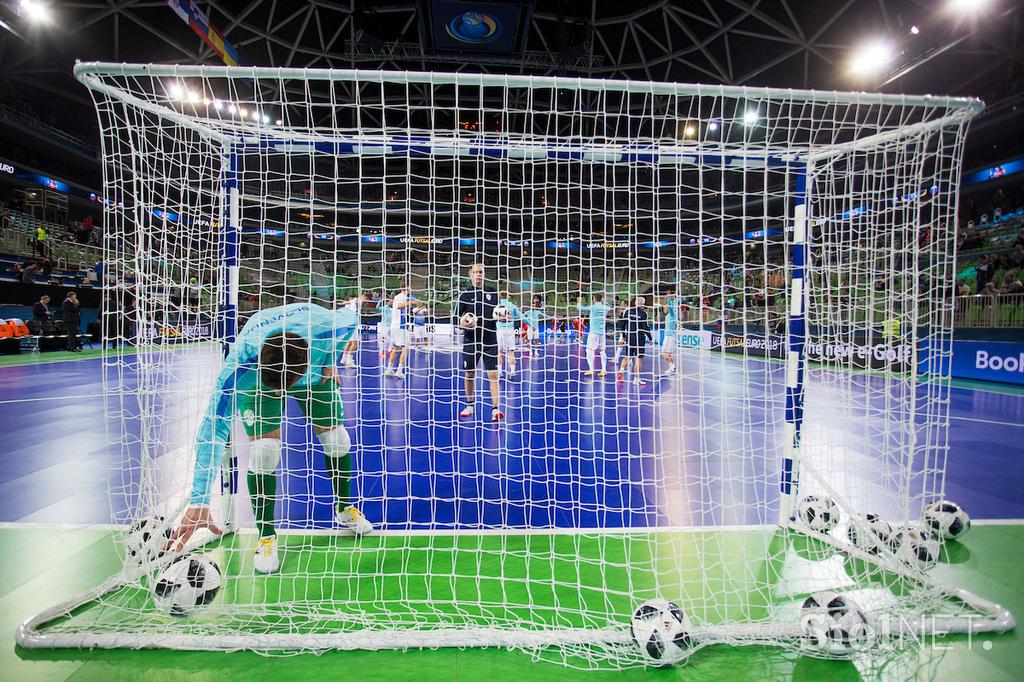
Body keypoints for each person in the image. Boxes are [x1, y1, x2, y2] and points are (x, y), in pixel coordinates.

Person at [167, 302, 371, 574]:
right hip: (259, 382)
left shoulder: (327, 327)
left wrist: (328, 361)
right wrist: (200, 499)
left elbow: (351, 320)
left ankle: (345, 508)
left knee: (338, 440)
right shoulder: (242, 363)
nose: (282, 394)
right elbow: (213, 429)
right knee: (264, 451)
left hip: (313, 372)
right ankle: (266, 535)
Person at [457, 263, 503, 421]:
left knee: (493, 374)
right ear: (470, 275)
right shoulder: (464, 295)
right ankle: (469, 405)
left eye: (481, 271)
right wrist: (464, 323)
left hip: (490, 338)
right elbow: (457, 319)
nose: (478, 274)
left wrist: (503, 315)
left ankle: (496, 409)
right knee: (469, 373)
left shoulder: (493, 293)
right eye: (475, 272)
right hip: (471, 339)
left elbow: (499, 312)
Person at [617, 296, 652, 386]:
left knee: (628, 356)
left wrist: (624, 335)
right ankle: (636, 379)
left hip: (629, 337)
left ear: (635, 303)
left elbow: (623, 324)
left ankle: (621, 370)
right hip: (639, 339)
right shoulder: (643, 313)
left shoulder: (628, 311)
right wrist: (650, 338)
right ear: (643, 304)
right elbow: (645, 327)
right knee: (638, 358)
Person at [579, 293, 611, 377]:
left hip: (593, 332)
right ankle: (604, 370)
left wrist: (579, 301)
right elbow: (610, 307)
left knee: (589, 350)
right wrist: (605, 302)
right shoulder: (605, 307)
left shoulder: (593, 307)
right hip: (602, 333)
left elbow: (580, 308)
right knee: (602, 351)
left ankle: (591, 369)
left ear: (594, 299)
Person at [384, 284, 411, 378]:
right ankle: (399, 371)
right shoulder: (401, 297)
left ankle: (389, 369)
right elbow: (398, 306)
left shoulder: (398, 297)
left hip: (395, 326)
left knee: (396, 347)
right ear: (406, 289)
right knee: (406, 348)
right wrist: (412, 302)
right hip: (400, 326)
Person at [495, 291, 522, 376]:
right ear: (508, 296)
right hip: (510, 330)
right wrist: (530, 324)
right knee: (511, 351)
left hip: (500, 330)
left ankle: (499, 372)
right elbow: (521, 317)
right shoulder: (512, 306)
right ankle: (512, 371)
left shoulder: (496, 307)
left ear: (499, 296)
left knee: (498, 352)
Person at [339, 292, 367, 368]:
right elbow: (354, 300)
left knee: (349, 342)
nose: (366, 301)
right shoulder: (356, 300)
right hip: (352, 323)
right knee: (355, 343)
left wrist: (343, 303)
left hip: (347, 323)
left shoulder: (348, 305)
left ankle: (343, 359)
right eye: (366, 299)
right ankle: (349, 360)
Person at [659, 294, 679, 377]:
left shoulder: (672, 314)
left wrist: (668, 298)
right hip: (669, 336)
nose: (664, 309)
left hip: (669, 336)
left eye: (665, 307)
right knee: (668, 354)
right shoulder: (668, 315)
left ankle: (672, 367)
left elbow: (671, 306)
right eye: (663, 308)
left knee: (663, 353)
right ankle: (672, 368)